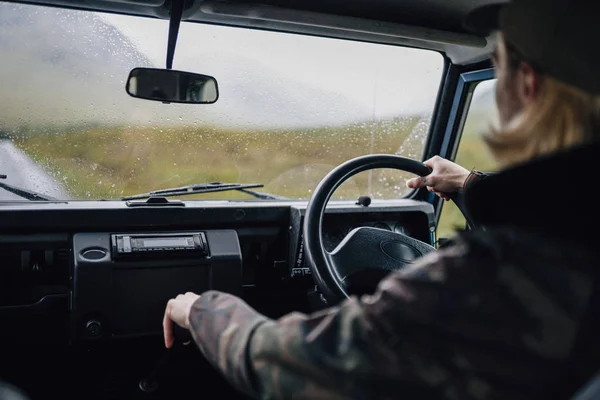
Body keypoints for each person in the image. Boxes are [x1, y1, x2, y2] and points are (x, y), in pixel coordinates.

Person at [163, 0, 600, 399]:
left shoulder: (485, 283)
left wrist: (201, 309)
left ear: (528, 86)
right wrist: (469, 186)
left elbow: (292, 365)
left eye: (500, 67)